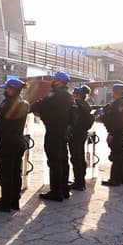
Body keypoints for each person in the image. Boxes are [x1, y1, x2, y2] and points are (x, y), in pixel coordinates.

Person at [29, 71, 74, 201]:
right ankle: (64, 189)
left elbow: (40, 105)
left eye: (54, 80)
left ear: (58, 81)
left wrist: (24, 108)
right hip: (64, 131)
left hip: (54, 131)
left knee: (54, 162)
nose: (52, 82)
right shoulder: (69, 95)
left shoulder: (55, 94)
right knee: (63, 161)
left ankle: (56, 192)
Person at [0, 78, 30, 212]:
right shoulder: (24, 104)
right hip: (18, 142)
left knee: (6, 173)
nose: (5, 91)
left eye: (7, 88)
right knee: (15, 173)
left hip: (7, 143)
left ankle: (5, 203)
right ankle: (14, 201)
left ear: (14, 89)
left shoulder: (8, 104)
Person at [100, 84, 123, 187]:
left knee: (116, 157)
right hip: (122, 133)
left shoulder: (115, 105)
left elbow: (115, 122)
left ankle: (114, 180)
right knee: (121, 156)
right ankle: (122, 178)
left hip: (116, 133)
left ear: (114, 92)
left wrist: (111, 133)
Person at [68, 85, 93, 189]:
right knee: (80, 156)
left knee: (75, 157)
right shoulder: (87, 105)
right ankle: (80, 180)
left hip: (75, 133)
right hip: (83, 133)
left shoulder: (76, 104)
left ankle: (78, 182)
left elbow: (73, 120)